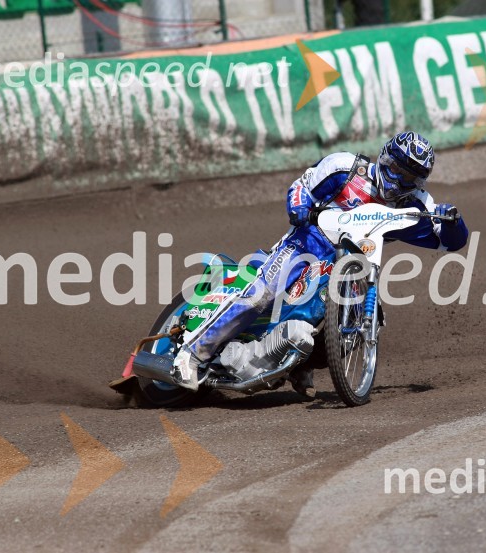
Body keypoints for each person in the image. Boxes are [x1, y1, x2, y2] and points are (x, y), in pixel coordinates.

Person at [173, 131, 469, 396]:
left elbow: (449, 239)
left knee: (358, 322)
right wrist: (299, 207)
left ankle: (296, 365)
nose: (399, 180)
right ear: (384, 158)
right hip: (306, 244)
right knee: (259, 295)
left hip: (354, 265)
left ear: (418, 182)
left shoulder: (416, 204)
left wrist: (453, 219)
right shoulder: (345, 168)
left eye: (409, 177)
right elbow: (302, 186)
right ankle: (192, 354)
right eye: (396, 169)